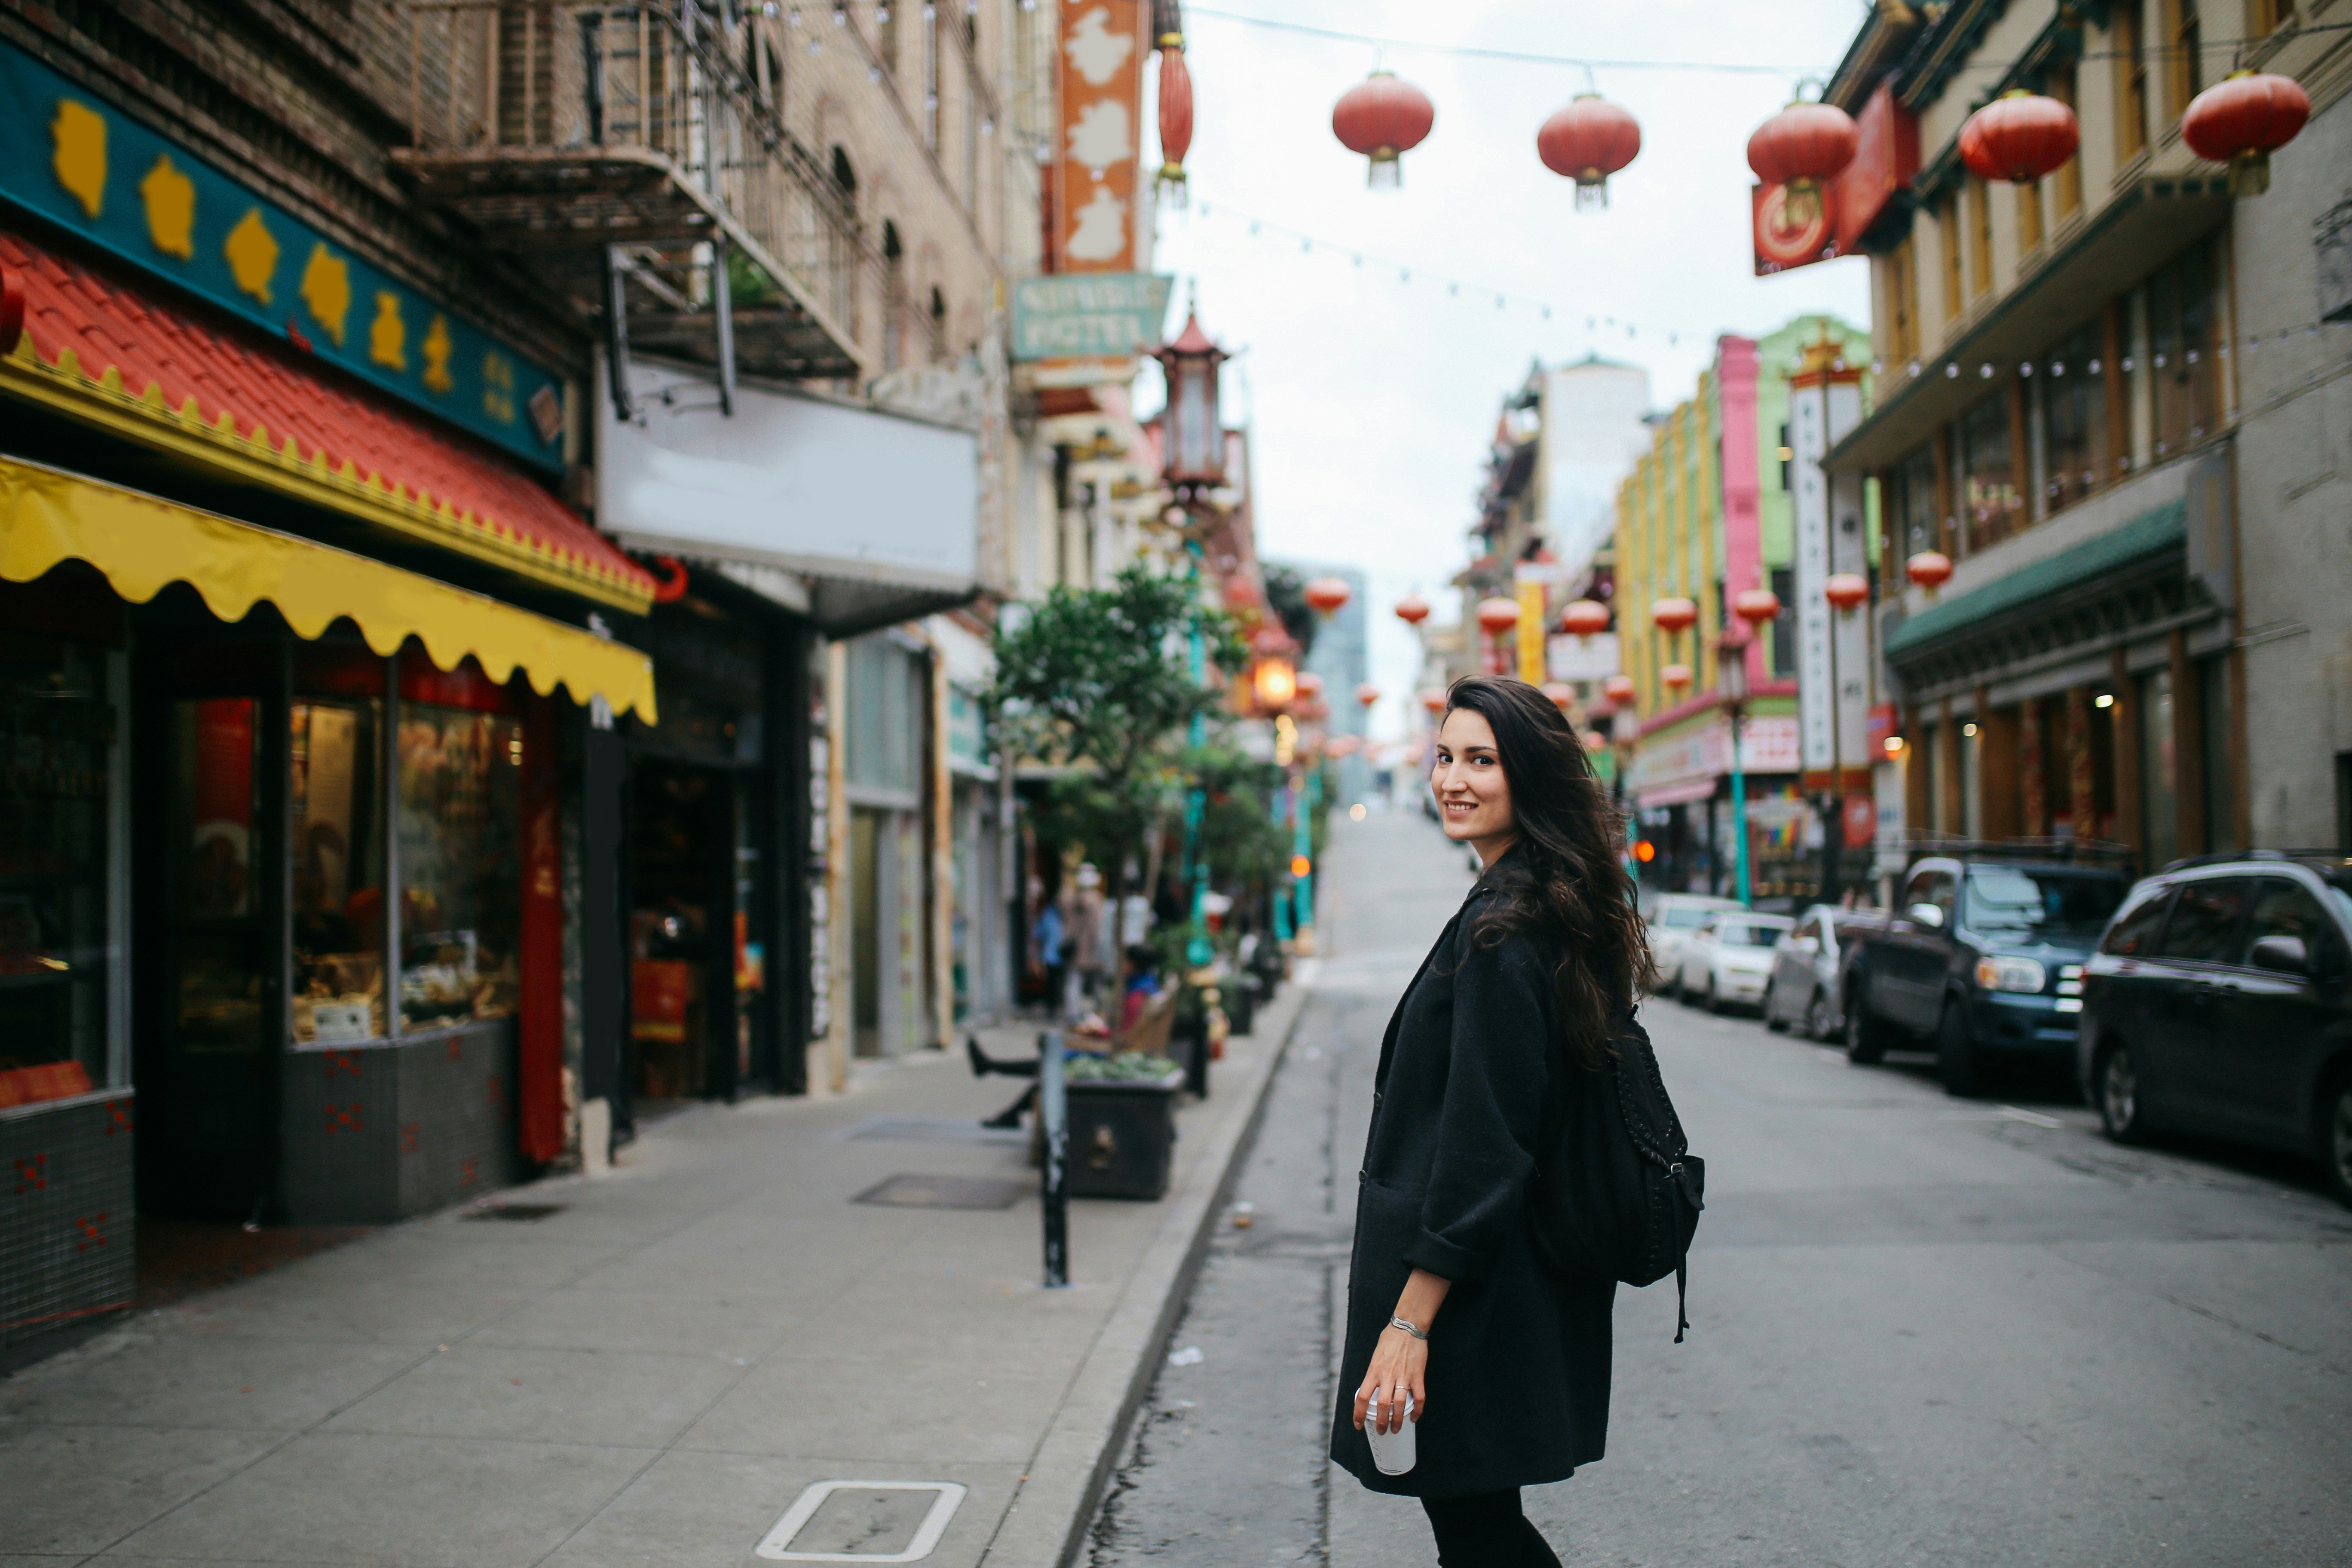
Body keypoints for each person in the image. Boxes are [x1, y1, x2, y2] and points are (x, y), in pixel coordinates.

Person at [1330, 674, 1656, 1566]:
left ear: (1532, 778)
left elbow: (1488, 1147)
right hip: (1509, 1278)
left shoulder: (1509, 931)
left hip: (1482, 1291)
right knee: (1476, 1527)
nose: (1453, 779)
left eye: (1483, 759)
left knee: (1476, 1532)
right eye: (1444, 757)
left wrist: (1408, 1327)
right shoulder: (1538, 905)